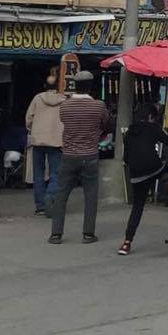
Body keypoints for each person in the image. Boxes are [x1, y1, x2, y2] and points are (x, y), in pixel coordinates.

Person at [118, 102, 168, 256]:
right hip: (154, 167)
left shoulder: (129, 132)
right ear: (150, 117)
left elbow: (126, 158)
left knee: (137, 207)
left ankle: (126, 243)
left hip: (136, 174)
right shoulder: (153, 128)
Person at [48, 71, 112, 245]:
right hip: (90, 155)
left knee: (62, 194)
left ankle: (56, 234)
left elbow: (65, 123)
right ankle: (88, 234)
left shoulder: (65, 106)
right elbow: (107, 124)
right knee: (90, 196)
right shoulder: (99, 106)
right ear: (91, 87)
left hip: (68, 155)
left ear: (74, 86)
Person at [25, 69, 66, 215]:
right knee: (56, 173)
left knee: (38, 174)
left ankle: (41, 206)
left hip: (38, 141)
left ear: (44, 86)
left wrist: (32, 128)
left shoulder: (37, 98)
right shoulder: (64, 100)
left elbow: (29, 118)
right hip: (56, 141)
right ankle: (51, 197)